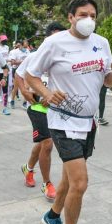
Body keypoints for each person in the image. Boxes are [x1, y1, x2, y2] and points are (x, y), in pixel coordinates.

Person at [25, 0, 112, 224]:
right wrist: (46, 94)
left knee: (70, 180)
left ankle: (53, 215)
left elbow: (107, 81)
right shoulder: (54, 43)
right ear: (70, 17)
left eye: (93, 15)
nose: (88, 20)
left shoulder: (101, 43)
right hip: (62, 121)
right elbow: (30, 75)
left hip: (87, 122)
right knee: (80, 183)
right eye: (82, 15)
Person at [16, 22, 65, 200]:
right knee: (48, 144)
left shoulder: (65, 58)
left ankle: (28, 168)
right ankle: (47, 184)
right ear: (47, 39)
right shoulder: (35, 56)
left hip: (57, 108)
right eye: (54, 37)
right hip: (37, 107)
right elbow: (19, 74)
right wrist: (24, 91)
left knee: (41, 144)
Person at [0, 34, 11, 115]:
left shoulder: (7, 47)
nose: (5, 41)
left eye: (5, 39)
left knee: (5, 90)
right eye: (3, 40)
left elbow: (7, 57)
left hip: (5, 71)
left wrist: (8, 61)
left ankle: (5, 108)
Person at [9, 40, 30, 109]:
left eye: (27, 43)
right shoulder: (15, 52)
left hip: (26, 71)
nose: (27, 44)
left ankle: (24, 103)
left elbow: (30, 60)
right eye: (26, 43)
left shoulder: (27, 51)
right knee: (16, 87)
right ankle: (12, 100)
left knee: (27, 87)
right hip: (17, 70)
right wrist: (23, 62)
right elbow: (12, 62)